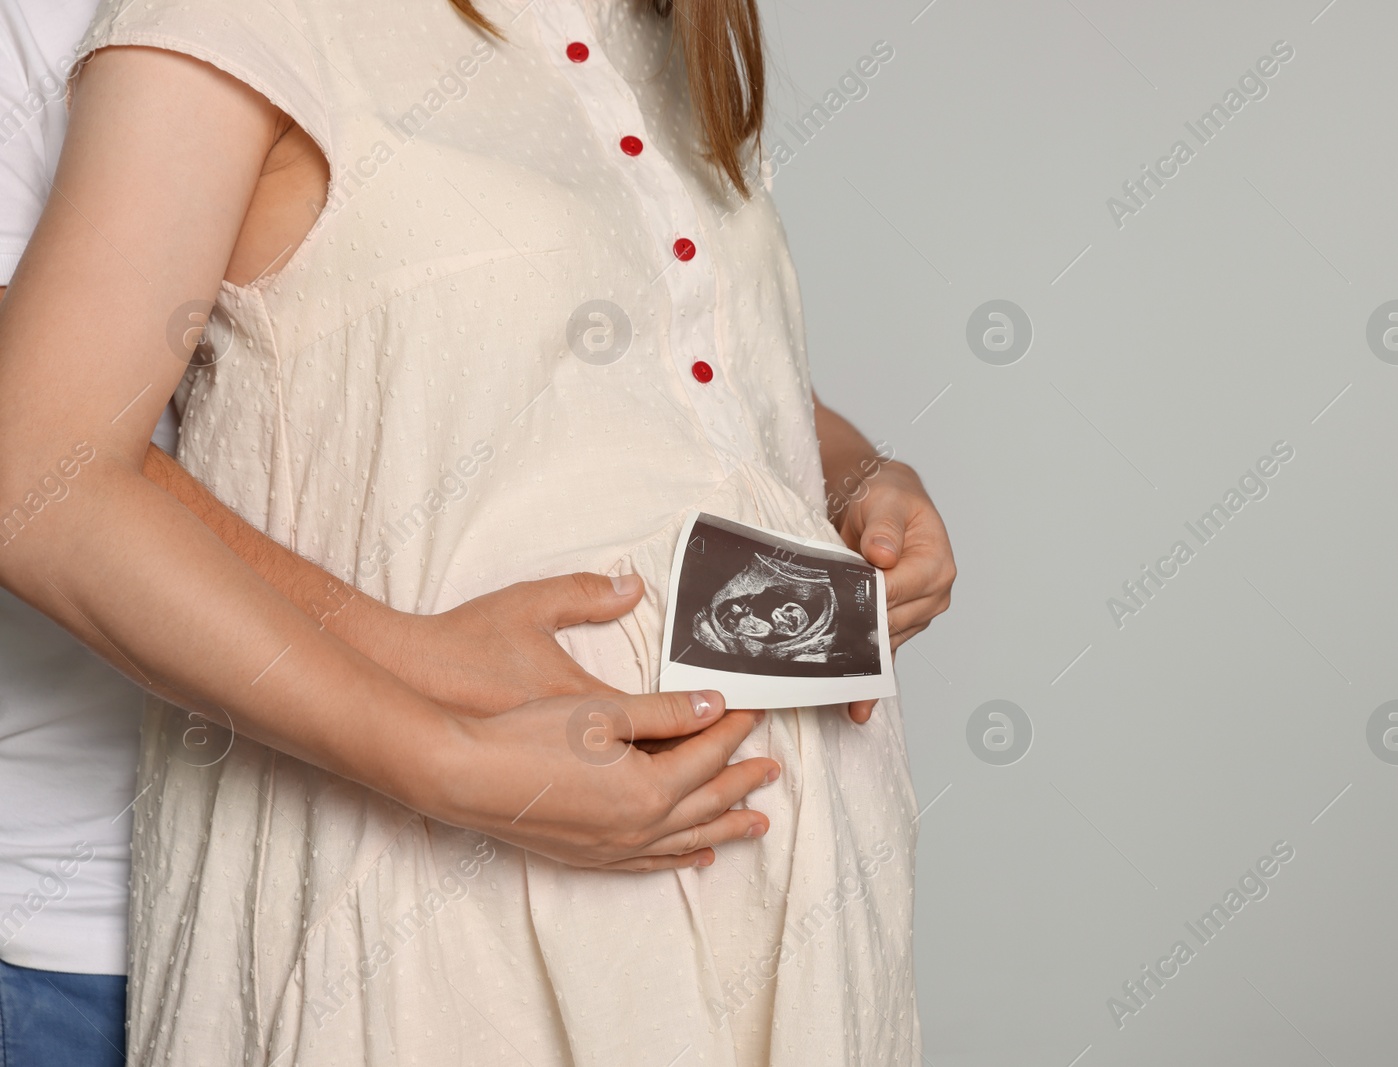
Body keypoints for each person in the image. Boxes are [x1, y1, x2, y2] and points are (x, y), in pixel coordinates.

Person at [0, 0, 957, 1063]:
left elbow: (617, 369)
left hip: (783, 898)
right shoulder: (238, 19)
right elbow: (39, 474)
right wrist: (442, 755)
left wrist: (857, 471)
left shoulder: (650, 29)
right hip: (436, 902)